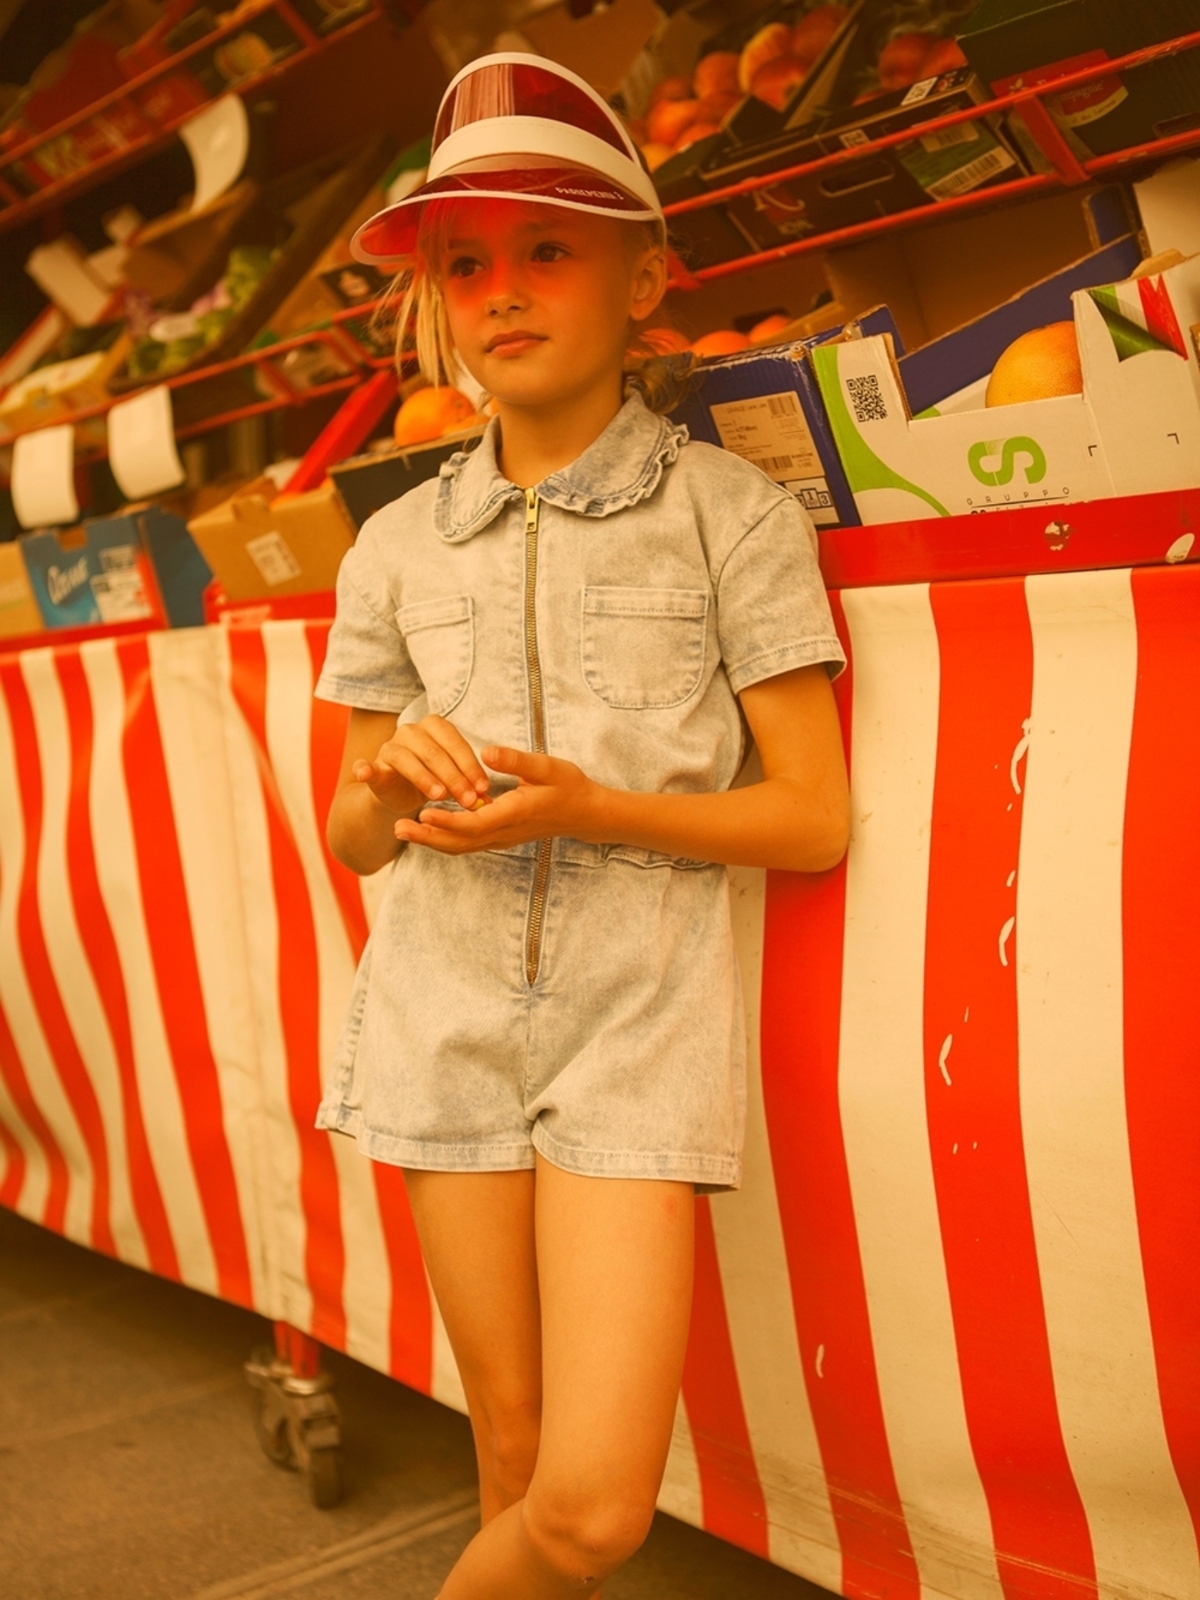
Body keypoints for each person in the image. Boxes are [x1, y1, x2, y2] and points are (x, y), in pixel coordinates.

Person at [317, 53, 849, 1600]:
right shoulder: (394, 545)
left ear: (645, 274)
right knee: (510, 1456)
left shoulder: (731, 515)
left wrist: (596, 805)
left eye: (549, 247)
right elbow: (350, 834)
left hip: (633, 1024)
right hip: (440, 1012)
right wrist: (390, 784)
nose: (503, 291)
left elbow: (813, 819)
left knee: (593, 1510)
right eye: (466, 262)